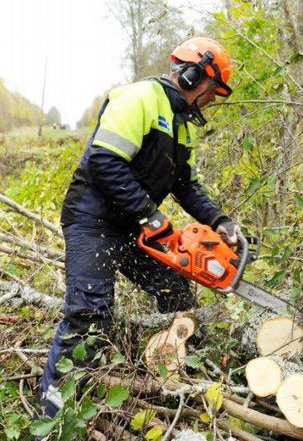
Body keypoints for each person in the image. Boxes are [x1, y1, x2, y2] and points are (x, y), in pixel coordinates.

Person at [39, 37, 240, 417]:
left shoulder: (183, 126)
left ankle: (179, 370)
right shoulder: (141, 98)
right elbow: (104, 161)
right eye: (212, 92)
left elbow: (185, 185)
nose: (212, 101)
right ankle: (54, 413)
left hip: (131, 224)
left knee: (175, 285)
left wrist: (219, 221)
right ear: (193, 75)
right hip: (92, 219)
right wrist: (151, 214)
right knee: (90, 313)